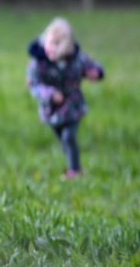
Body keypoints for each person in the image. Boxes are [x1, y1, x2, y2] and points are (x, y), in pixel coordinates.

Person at [26, 17, 104, 179]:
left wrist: (96, 73)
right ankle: (70, 155)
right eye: (51, 44)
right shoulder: (38, 63)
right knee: (63, 138)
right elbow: (34, 85)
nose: (53, 50)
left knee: (69, 136)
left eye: (58, 46)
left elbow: (92, 66)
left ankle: (75, 170)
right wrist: (50, 94)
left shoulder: (76, 58)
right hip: (51, 110)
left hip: (72, 106)